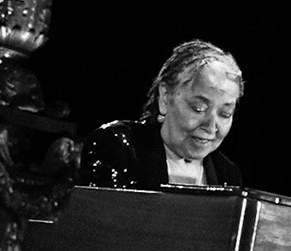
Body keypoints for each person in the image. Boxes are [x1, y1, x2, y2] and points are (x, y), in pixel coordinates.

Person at [79, 39, 245, 188]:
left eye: (225, 114)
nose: (210, 126)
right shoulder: (118, 147)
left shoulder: (227, 174)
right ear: (165, 97)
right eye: (198, 108)